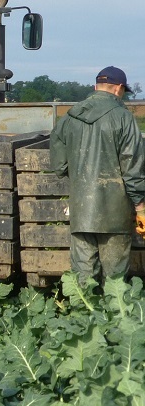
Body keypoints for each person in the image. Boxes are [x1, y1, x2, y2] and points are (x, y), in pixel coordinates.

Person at [50, 66, 145, 286]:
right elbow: (132, 168)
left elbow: (59, 165)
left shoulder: (69, 117)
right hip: (115, 215)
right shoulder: (124, 118)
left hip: (81, 213)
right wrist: (140, 208)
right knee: (115, 284)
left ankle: (83, 318)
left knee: (82, 282)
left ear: (96, 87)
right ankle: (113, 319)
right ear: (119, 88)